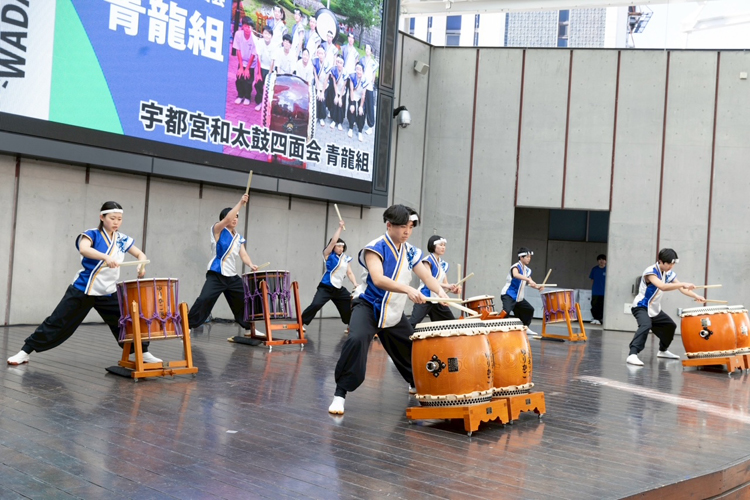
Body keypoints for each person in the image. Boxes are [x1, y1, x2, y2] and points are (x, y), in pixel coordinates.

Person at [328, 205, 450, 415]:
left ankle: (416, 383)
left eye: (410, 227)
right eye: (402, 226)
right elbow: (378, 279)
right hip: (368, 306)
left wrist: (440, 292)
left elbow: (427, 276)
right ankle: (340, 394)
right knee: (356, 340)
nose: (407, 232)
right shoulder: (375, 248)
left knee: (413, 348)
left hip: (392, 310)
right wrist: (408, 289)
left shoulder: (410, 251)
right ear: (389, 225)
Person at [7, 202, 159, 365]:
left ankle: (143, 353)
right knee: (57, 321)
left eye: (119, 219)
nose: (116, 222)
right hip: (83, 288)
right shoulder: (91, 234)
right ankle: (25, 352)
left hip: (108, 292)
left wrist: (141, 265)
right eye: (112, 218)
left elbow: (140, 254)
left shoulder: (122, 239)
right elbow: (84, 249)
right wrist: (106, 257)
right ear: (102, 217)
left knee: (126, 321)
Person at [187, 194, 259, 334]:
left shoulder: (238, 237)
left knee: (245, 299)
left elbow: (243, 254)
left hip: (232, 277)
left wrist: (250, 264)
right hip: (217, 274)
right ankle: (187, 325)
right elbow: (227, 220)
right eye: (233, 216)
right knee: (205, 299)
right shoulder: (217, 230)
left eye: (237, 216)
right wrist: (240, 203)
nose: (235, 219)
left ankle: (249, 328)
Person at [627, 248, 706, 366]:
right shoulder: (651, 272)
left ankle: (663, 350)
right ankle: (632, 354)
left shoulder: (668, 273)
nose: (671, 266)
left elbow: (682, 288)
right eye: (668, 264)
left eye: (672, 264)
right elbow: (662, 286)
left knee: (670, 326)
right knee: (645, 325)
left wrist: (696, 296)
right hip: (641, 306)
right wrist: (683, 283)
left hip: (654, 309)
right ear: (660, 261)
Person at [301, 220, 358, 328]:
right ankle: (301, 323)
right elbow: (333, 241)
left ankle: (351, 325)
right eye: (338, 246)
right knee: (316, 305)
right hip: (326, 287)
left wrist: (355, 283)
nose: (340, 248)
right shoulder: (328, 254)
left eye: (342, 247)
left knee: (349, 304)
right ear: (333, 247)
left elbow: (349, 272)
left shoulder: (346, 258)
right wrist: (340, 227)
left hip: (338, 289)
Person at [409, 235, 461, 327]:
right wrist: (447, 286)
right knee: (412, 324)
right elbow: (428, 279)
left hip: (438, 299)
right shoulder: (427, 261)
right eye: (440, 245)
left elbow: (445, 284)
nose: (443, 247)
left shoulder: (443, 264)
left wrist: (453, 289)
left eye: (444, 245)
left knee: (450, 324)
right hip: (425, 297)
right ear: (433, 246)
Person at [500, 247, 544, 335]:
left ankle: (524, 327)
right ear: (521, 257)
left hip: (519, 298)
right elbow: (516, 275)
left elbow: (531, 282)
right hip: (509, 295)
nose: (529, 259)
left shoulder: (527, 270)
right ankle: (499, 328)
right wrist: (528, 279)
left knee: (529, 310)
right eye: (527, 257)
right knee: (506, 312)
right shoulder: (516, 266)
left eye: (530, 257)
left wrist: (537, 287)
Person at [232, 17, 258, 106]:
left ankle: (247, 97)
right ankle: (240, 95)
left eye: (249, 26)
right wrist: (241, 67)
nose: (247, 28)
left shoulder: (254, 39)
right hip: (242, 60)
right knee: (239, 78)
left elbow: (253, 55)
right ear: (242, 26)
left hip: (251, 62)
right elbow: (238, 50)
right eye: (245, 26)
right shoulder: (238, 34)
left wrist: (247, 69)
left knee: (248, 80)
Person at [253, 26, 274, 111]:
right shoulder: (260, 42)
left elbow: (272, 61)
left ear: (271, 36)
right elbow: (259, 58)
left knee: (267, 86)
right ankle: (259, 102)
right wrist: (258, 73)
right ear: (262, 34)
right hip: (261, 66)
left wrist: (269, 75)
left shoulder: (274, 45)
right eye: (265, 33)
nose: (267, 36)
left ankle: (265, 103)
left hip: (270, 69)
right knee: (258, 84)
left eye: (269, 34)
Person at [360, 44, 378, 135]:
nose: (367, 50)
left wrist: (371, 83)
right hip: (362, 84)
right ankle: (359, 121)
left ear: (371, 52)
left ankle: (370, 126)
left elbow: (373, 75)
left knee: (370, 106)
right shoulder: (362, 59)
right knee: (361, 103)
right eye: (366, 48)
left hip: (369, 86)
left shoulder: (373, 62)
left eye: (368, 49)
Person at [346, 63, 367, 142]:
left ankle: (360, 131)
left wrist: (361, 107)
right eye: (357, 69)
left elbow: (363, 94)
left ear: (363, 71)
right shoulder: (352, 76)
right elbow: (351, 90)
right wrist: (352, 103)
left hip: (360, 96)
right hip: (354, 95)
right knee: (352, 109)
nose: (358, 71)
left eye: (360, 70)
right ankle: (351, 127)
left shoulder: (365, 79)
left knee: (362, 112)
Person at [328, 55, 347, 131]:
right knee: (335, 104)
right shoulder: (334, 70)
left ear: (343, 64)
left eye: (341, 63)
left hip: (342, 92)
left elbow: (344, 86)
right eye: (338, 62)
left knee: (340, 105)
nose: (339, 64)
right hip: (336, 90)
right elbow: (334, 83)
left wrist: (340, 97)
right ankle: (334, 120)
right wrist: (336, 95)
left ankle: (339, 123)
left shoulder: (345, 72)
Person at [313, 46, 329, 126]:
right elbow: (316, 76)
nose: (320, 55)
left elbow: (326, 79)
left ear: (324, 54)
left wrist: (322, 92)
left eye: (322, 53)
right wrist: (318, 91)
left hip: (324, 85)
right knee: (316, 99)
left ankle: (322, 117)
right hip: (317, 84)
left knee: (322, 100)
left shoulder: (327, 64)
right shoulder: (315, 62)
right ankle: (316, 116)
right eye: (319, 53)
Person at [589, 254, 606, 325]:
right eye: (600, 260)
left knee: (602, 306)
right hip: (595, 291)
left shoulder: (608, 269)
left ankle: (599, 319)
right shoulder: (594, 269)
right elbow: (592, 279)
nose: (601, 261)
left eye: (603, 260)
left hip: (604, 292)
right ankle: (595, 318)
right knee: (594, 305)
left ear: (606, 261)